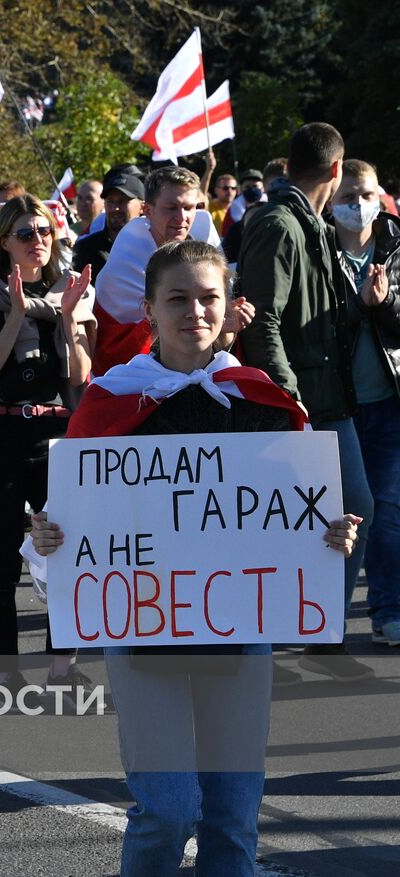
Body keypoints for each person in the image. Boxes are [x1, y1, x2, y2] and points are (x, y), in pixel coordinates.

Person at [30, 239, 360, 877]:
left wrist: (328, 538)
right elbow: (73, 524)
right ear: (149, 309)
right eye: (176, 299)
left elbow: (297, 515)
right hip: (143, 634)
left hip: (242, 638)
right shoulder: (108, 402)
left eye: (208, 298)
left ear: (229, 305)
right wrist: (49, 541)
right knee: (169, 810)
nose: (194, 312)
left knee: (233, 821)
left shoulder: (261, 399)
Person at [237, 122, 376, 682]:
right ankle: (287, 638)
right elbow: (263, 318)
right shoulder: (279, 221)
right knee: (328, 513)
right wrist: (288, 400)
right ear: (337, 170)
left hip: (321, 399)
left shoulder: (304, 223)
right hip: (301, 403)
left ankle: (316, 635)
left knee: (331, 516)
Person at [0, 195, 95, 699]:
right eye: (26, 233)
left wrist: (69, 319)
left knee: (69, 552)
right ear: (3, 240)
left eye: (46, 232)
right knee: (1, 559)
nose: (38, 242)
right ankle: (7, 674)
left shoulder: (68, 290)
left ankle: (61, 665)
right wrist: (15, 314)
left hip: (54, 439)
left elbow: (79, 375)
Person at [328, 159, 400, 649]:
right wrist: (358, 306)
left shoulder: (397, 246)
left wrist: (386, 302)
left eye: (367, 195)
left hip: (389, 401)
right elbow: (314, 323)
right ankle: (321, 611)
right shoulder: (319, 247)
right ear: (332, 199)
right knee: (346, 513)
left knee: (390, 509)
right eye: (349, 196)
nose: (359, 205)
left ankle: (388, 611)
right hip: (337, 405)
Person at [92, 167, 242, 375]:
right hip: (141, 383)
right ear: (148, 210)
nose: (182, 217)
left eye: (189, 207)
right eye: (171, 207)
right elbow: (112, 349)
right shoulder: (121, 272)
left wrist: (228, 328)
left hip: (204, 376)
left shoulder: (209, 255)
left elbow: (220, 341)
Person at [73, 170, 144, 279]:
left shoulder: (154, 248)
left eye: (122, 201)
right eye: (110, 201)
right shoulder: (85, 249)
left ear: (142, 207)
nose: (115, 208)